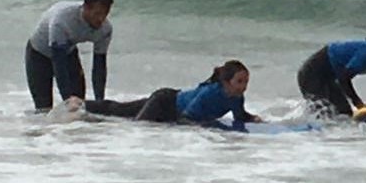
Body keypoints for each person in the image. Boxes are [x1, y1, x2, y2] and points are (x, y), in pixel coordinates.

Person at [81, 60, 262, 129]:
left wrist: (253, 119)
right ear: (226, 82)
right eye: (240, 81)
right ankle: (82, 109)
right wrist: (212, 126)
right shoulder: (210, 93)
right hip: (164, 101)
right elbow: (185, 118)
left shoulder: (237, 98)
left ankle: (84, 110)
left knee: (123, 112)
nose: (244, 86)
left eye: (246, 81)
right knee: (128, 119)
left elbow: (240, 116)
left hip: (170, 110)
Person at [26, 0, 114, 111]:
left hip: (68, 51)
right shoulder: (62, 21)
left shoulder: (105, 29)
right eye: (97, 14)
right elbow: (59, 65)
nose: (101, 19)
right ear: (86, 8)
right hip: (39, 54)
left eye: (105, 14)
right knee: (44, 107)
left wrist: (100, 101)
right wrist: (67, 100)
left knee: (79, 103)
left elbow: (99, 67)